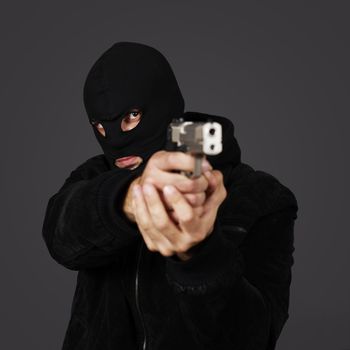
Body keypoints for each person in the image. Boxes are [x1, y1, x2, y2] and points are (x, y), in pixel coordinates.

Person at [42, 41, 299, 350]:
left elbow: (254, 337)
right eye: (99, 127)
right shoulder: (97, 175)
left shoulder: (262, 198)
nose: (115, 140)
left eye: (132, 116)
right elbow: (60, 235)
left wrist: (199, 257)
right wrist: (130, 199)